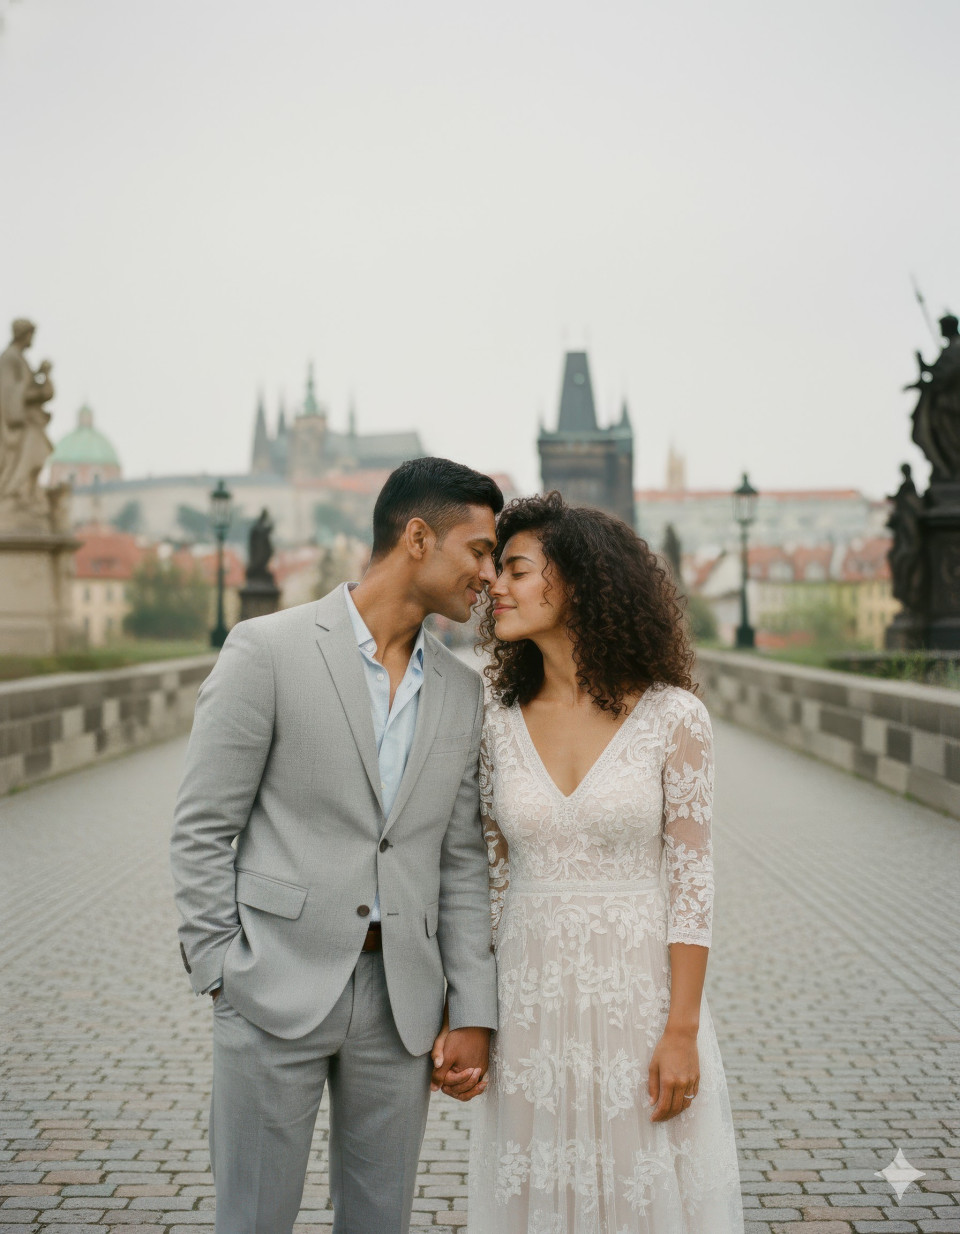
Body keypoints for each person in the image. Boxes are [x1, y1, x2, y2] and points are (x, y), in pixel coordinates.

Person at [170, 457, 504, 1234]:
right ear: (418, 538)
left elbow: (460, 862)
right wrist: (221, 970)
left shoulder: (461, 689)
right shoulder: (267, 651)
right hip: (269, 989)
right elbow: (201, 827)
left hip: (402, 1005)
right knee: (252, 1221)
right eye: (480, 550)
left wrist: (474, 1008)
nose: (489, 573)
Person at [434, 492, 744, 1233]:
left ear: (577, 581)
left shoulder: (674, 719)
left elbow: (693, 885)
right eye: (494, 571)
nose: (493, 588)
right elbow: (487, 881)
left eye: (516, 569)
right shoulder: (494, 722)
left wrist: (681, 1030)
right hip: (531, 1004)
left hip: (640, 1002)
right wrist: (469, 1015)